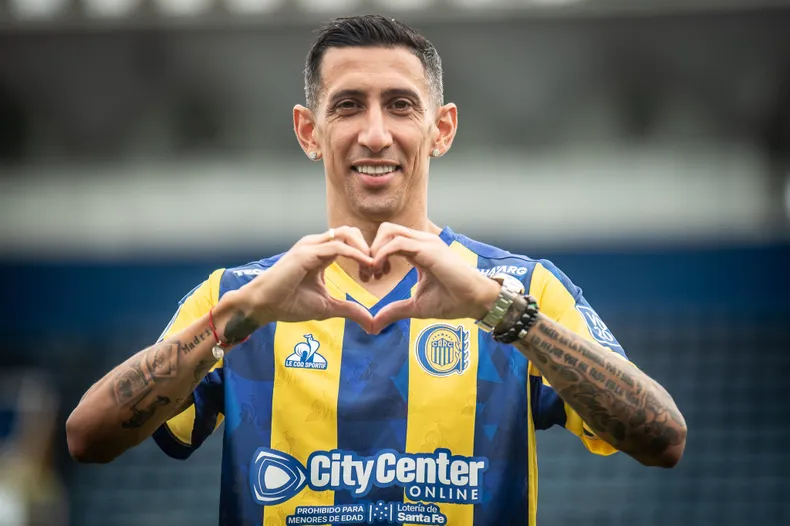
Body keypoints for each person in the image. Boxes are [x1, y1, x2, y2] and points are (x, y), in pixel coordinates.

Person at [66, 15, 687, 526]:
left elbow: (663, 439)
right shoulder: (238, 298)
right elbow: (86, 439)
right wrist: (231, 323)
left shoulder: (521, 291)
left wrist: (502, 314)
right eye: (347, 106)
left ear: (441, 129)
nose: (375, 134)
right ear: (308, 132)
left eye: (400, 105)